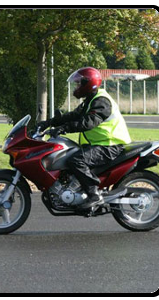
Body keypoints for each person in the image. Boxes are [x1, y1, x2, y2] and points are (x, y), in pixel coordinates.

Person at [39, 67, 131, 208]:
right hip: (99, 144)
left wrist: (64, 129)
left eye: (78, 84)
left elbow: (88, 123)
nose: (76, 87)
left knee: (77, 160)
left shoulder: (101, 101)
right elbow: (73, 116)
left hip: (110, 146)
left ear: (88, 83)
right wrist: (48, 123)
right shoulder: (91, 100)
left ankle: (94, 195)